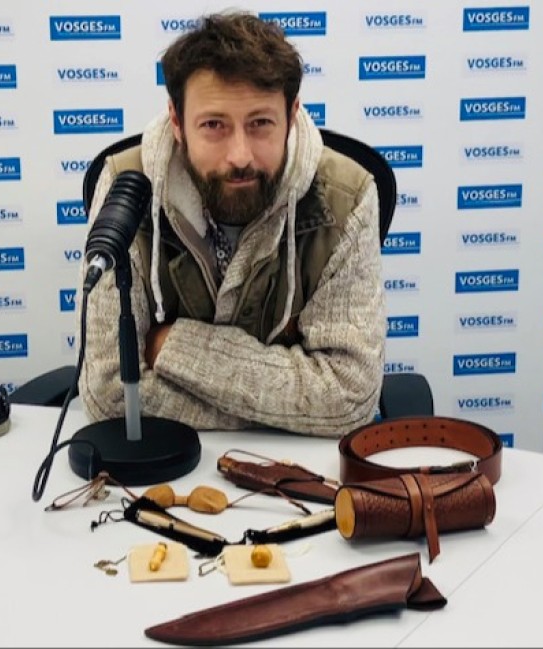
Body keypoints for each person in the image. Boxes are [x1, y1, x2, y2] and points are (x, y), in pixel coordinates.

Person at [77, 10, 385, 438]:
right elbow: (111, 394)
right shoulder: (125, 185)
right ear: (177, 122)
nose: (240, 155)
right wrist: (288, 408)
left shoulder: (347, 197)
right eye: (214, 125)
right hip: (173, 465)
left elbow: (348, 397)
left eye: (260, 124)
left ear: (292, 115)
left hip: (296, 466)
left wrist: (174, 347)